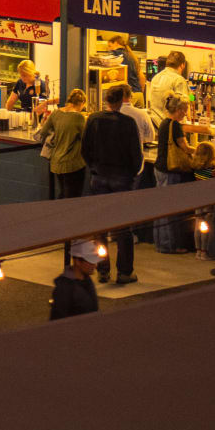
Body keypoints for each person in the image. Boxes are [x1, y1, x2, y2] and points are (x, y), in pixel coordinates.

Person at [80, 85, 145, 285]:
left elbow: (85, 149)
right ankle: (124, 272)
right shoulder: (128, 123)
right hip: (122, 177)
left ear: (106, 100)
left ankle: (102, 269)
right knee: (123, 227)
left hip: (99, 176)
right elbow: (136, 154)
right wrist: (132, 173)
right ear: (120, 101)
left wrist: (93, 167)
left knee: (100, 227)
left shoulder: (93, 120)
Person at [154, 97, 201, 253]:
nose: (185, 114)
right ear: (179, 110)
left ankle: (160, 243)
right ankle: (169, 245)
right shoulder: (175, 126)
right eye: (184, 110)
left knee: (160, 207)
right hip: (170, 169)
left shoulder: (163, 123)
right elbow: (185, 147)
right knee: (169, 209)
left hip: (160, 167)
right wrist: (201, 151)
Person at [40, 88, 89, 199]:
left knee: (63, 193)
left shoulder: (56, 113)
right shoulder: (79, 117)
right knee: (73, 197)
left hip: (56, 163)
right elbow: (86, 137)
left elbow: (43, 131)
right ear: (81, 103)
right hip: (73, 164)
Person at [49, 240, 104, 320]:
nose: (94, 265)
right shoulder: (64, 288)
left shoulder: (87, 279)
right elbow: (58, 320)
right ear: (77, 261)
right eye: (90, 262)